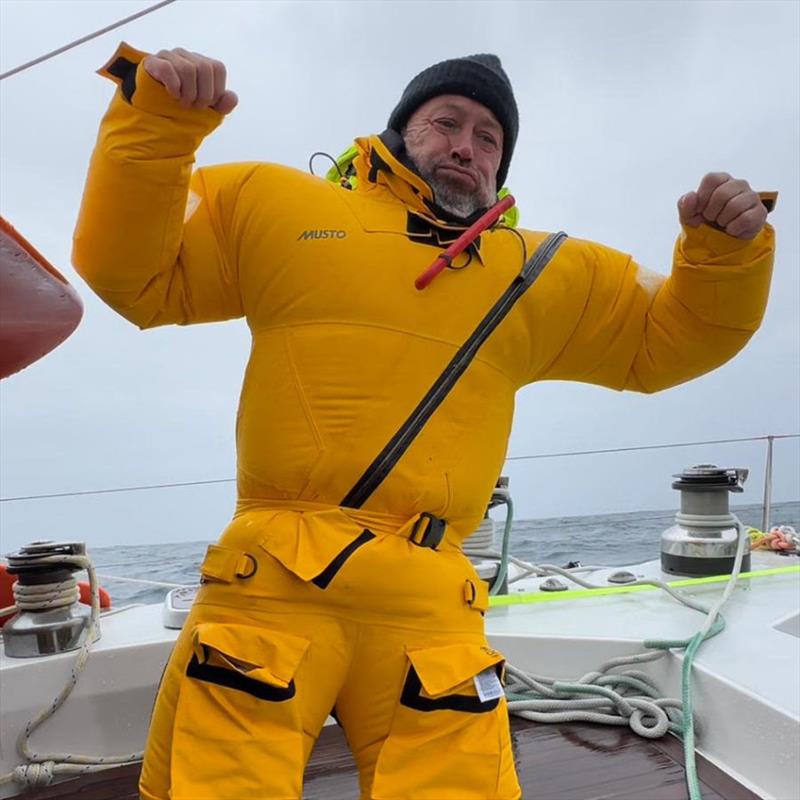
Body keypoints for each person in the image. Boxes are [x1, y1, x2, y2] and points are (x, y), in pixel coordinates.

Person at [73, 44, 775, 800]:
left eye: (489, 138)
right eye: (447, 122)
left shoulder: (540, 272)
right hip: (270, 588)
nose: (466, 146)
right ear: (402, 129)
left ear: (500, 166)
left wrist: (723, 257)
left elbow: (668, 338)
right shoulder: (274, 204)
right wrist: (157, 122)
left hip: (430, 608)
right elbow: (133, 271)